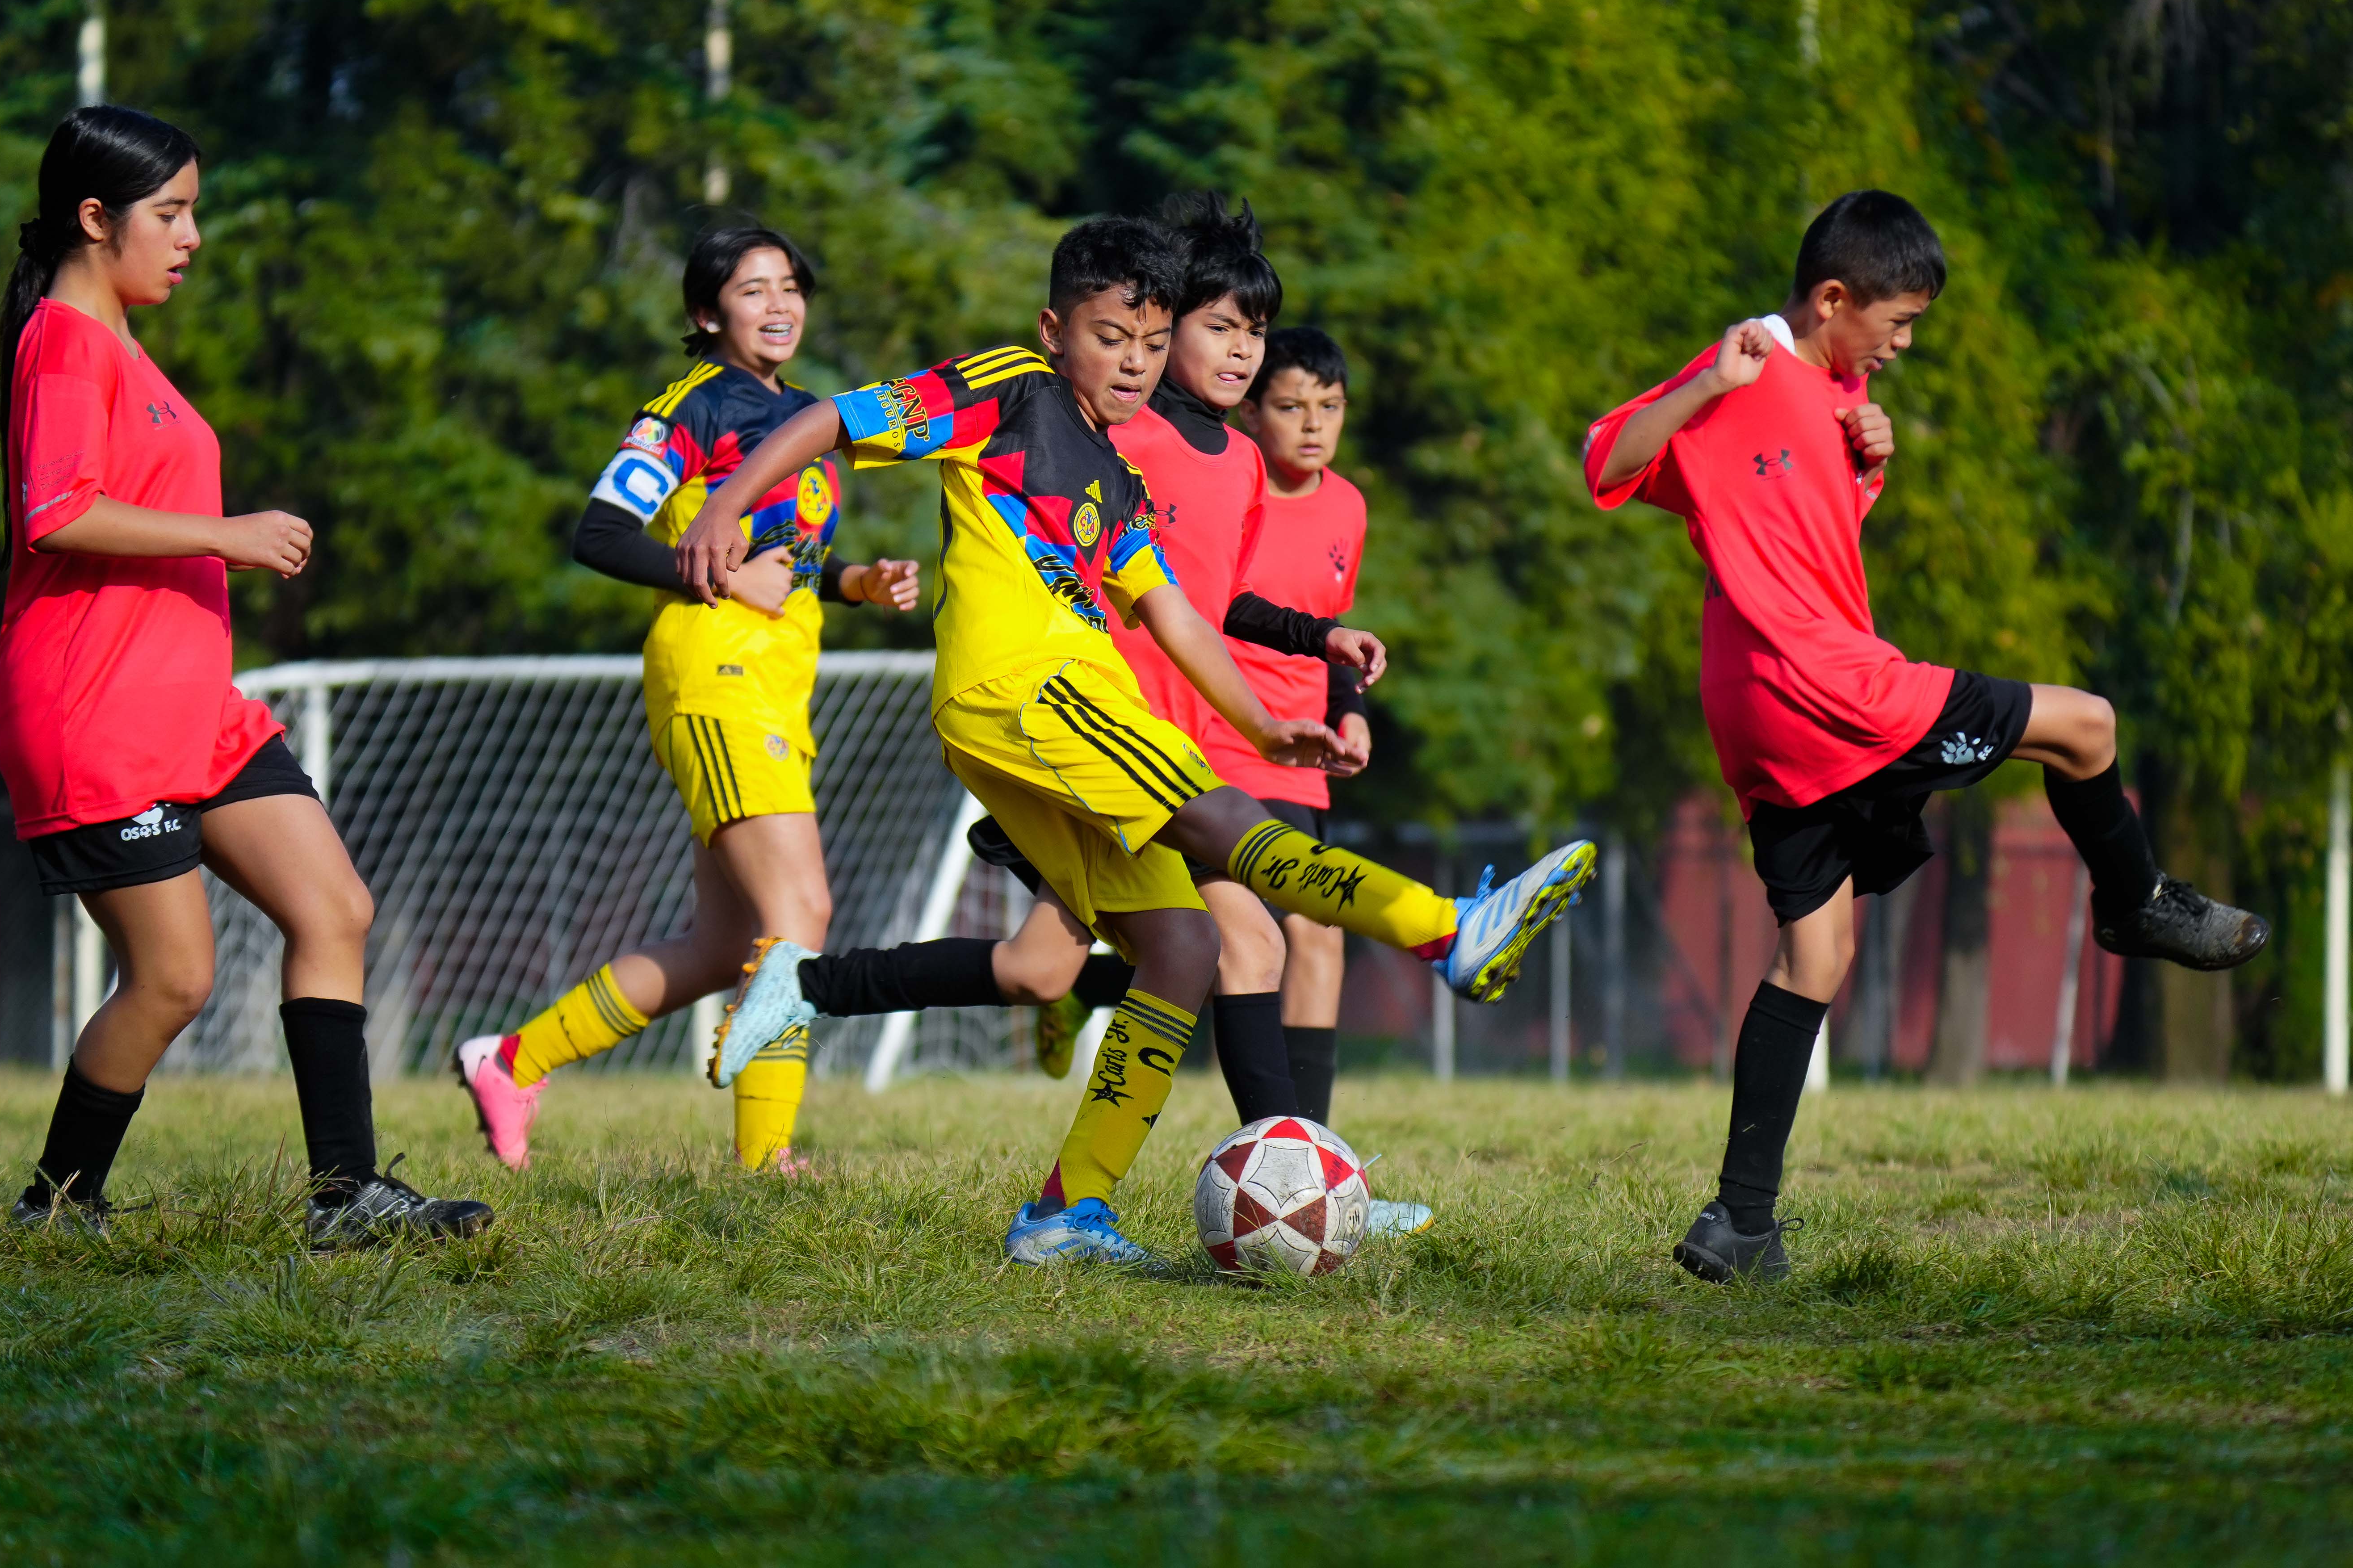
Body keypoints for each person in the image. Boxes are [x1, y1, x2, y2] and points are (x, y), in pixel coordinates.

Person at [671, 217, 1596, 1265]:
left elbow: (1176, 618)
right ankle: (1443, 930)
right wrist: (726, 511)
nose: (1134, 363)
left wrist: (1266, 727)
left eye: (1151, 344)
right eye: (1112, 337)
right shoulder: (1010, 386)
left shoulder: (1114, 479)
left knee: (1183, 946)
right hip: (1027, 692)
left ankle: (1062, 1212)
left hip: (1061, 705)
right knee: (1219, 829)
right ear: (1054, 327)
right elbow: (829, 424)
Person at [1582, 189, 2269, 1286]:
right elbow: (1605, 455)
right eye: (1895, 324)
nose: (1902, 346)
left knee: (1818, 951)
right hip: (1826, 687)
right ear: (1833, 298)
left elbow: (1792, 527)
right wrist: (1713, 378)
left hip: (1756, 707)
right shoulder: (1752, 361)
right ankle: (2135, 904)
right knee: (2085, 726)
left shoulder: (1827, 389)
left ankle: (1737, 1224)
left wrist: (1863, 461)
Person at [0, 105, 490, 1247]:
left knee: (335, 909)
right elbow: (58, 513)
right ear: (92, 217)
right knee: (173, 981)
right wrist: (228, 534)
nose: (191, 237)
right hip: (95, 713)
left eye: (193, 212)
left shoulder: (122, 343)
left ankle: (346, 1197)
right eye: (170, 214)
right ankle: (54, 1209)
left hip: (194, 712)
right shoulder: (64, 341)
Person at [451, 226, 919, 1174]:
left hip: (775, 684)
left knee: (721, 947)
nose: (780, 305)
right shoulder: (691, 409)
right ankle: (766, 1159)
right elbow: (600, 534)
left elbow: (778, 564)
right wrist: (710, 579)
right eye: (753, 291)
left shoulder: (806, 416)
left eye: (791, 286)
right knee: (802, 910)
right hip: (716, 676)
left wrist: (853, 583)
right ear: (708, 314)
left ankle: (511, 1060)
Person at [1208, 325, 1371, 1133]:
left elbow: (1329, 627)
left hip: (1297, 758)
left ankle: (1311, 1151)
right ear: (1250, 412)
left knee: (1316, 933)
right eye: (1291, 406)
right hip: (1219, 738)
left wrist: (1351, 710)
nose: (1313, 424)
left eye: (1329, 406)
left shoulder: (1348, 505)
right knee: (1219, 941)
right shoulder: (1228, 486)